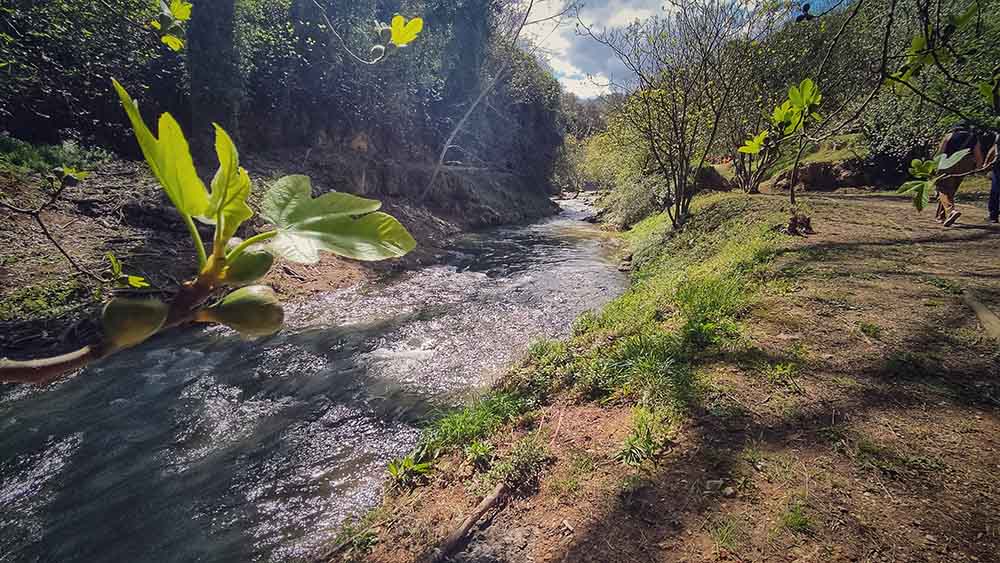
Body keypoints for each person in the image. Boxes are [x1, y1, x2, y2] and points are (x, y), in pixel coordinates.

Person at [934, 126, 989, 227]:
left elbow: (940, 152)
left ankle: (951, 211)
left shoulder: (949, 136)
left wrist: (935, 167)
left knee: (942, 189)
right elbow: (978, 154)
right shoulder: (973, 137)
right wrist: (979, 168)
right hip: (965, 165)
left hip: (948, 163)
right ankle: (941, 216)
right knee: (951, 190)